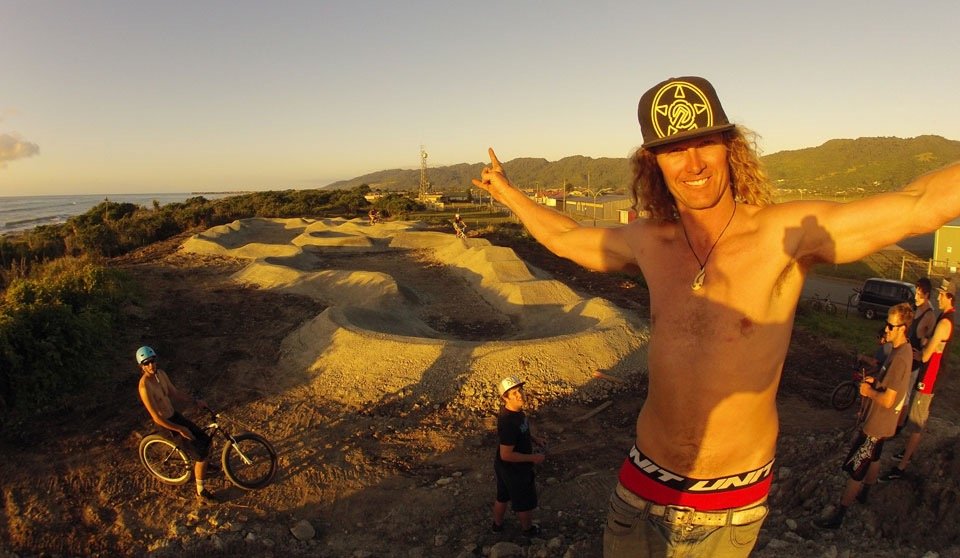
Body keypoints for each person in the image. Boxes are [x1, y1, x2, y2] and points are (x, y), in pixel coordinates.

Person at [472, 75, 960, 557]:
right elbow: (567, 237)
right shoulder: (649, 240)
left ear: (731, 147)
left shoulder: (785, 235)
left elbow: (918, 205)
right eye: (674, 149)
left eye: (706, 142)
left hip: (728, 509)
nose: (693, 163)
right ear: (653, 164)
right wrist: (509, 194)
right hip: (640, 489)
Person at [814, 303, 915, 529]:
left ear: (903, 328)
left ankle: (839, 515)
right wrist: (876, 382)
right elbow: (891, 386)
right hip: (884, 423)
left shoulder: (899, 358)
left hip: (877, 423)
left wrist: (868, 391)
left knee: (856, 468)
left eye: (890, 325)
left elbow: (889, 399)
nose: (885, 329)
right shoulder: (900, 350)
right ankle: (865, 494)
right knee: (875, 457)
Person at [881, 277, 956, 481]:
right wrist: (926, 342)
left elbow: (925, 355)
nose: (938, 297)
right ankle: (907, 453)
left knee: (916, 421)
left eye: (942, 294)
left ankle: (903, 465)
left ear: (950, 297)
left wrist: (920, 348)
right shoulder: (944, 316)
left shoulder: (944, 322)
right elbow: (932, 344)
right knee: (916, 414)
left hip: (930, 376)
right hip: (929, 373)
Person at [136, 345, 216, 501]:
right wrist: (179, 429)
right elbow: (156, 417)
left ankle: (204, 465)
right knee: (200, 454)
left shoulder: (161, 374)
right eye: (146, 363)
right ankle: (200, 492)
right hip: (166, 423)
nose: (151, 366)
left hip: (174, 415)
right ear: (141, 366)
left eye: (152, 361)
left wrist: (195, 401)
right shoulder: (144, 387)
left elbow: (175, 393)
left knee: (205, 439)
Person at [492, 376, 545, 536]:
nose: (519, 395)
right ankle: (528, 530)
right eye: (514, 393)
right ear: (505, 398)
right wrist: (533, 458)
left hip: (503, 467)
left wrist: (534, 438)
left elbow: (522, 430)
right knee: (524, 503)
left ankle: (497, 526)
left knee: (503, 496)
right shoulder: (508, 421)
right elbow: (506, 454)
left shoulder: (516, 412)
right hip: (515, 469)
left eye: (520, 390)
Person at [897, 277, 937, 431]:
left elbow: (930, 340)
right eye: (916, 294)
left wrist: (922, 353)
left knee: (905, 395)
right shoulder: (915, 307)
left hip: (914, 361)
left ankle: (899, 425)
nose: (916, 297)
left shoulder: (929, 315)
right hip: (904, 354)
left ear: (926, 295)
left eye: (919, 295)